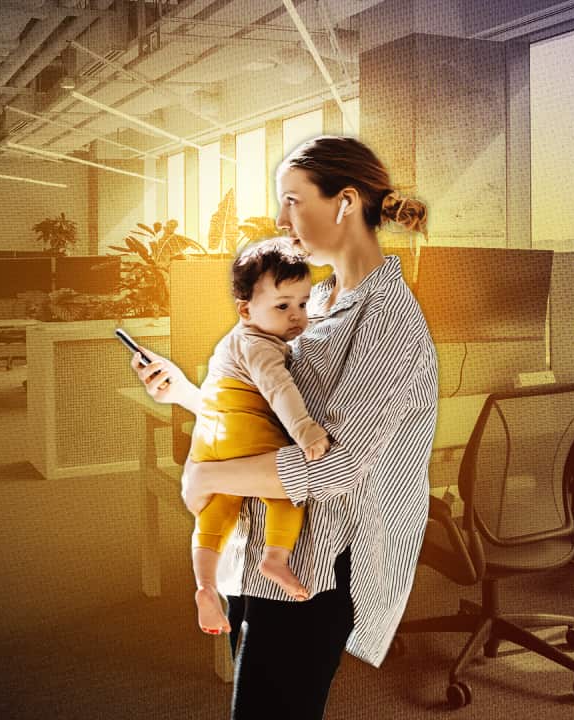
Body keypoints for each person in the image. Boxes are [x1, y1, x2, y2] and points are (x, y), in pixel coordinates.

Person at [131, 135, 437, 720]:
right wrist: (188, 394)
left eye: (292, 200)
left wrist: (207, 475)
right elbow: (271, 415)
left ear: (345, 202)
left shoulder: (388, 319)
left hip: (318, 564)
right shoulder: (315, 300)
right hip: (269, 547)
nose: (279, 219)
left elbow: (336, 467)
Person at [188, 238, 332, 636]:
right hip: (246, 430)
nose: (297, 316)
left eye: (303, 303)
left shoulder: (234, 340)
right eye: (282, 306)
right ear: (245, 309)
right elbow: (279, 388)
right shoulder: (259, 346)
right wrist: (305, 430)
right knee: (288, 490)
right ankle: (275, 558)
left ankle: (205, 585)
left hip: (210, 438)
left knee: (215, 511)